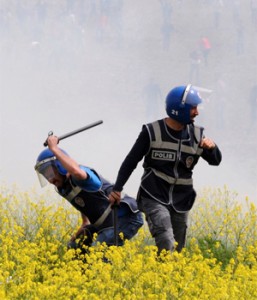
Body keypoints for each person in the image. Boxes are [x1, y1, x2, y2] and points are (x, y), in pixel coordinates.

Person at [109, 84, 222, 255]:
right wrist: (117, 188)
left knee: (177, 251)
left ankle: (164, 278)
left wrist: (212, 148)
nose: (197, 112)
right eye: (193, 108)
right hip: (154, 196)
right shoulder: (151, 131)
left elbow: (215, 161)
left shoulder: (198, 135)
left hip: (181, 200)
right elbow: (131, 161)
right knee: (166, 241)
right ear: (180, 109)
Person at [34, 135, 144, 253]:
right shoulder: (63, 188)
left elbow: (77, 172)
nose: (50, 180)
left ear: (60, 166)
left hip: (125, 218)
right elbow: (83, 200)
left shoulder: (80, 176)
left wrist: (54, 149)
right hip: (106, 224)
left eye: (50, 174)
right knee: (74, 248)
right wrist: (85, 222)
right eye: (46, 176)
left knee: (98, 252)